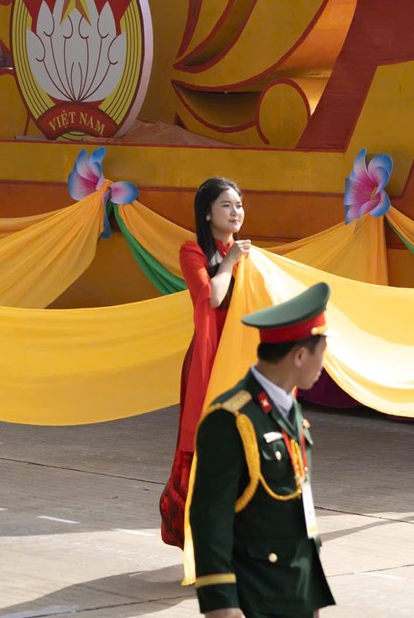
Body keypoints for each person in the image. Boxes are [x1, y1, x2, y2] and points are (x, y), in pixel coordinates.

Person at [188, 282, 336, 618]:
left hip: (294, 592)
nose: (323, 364)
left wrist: (310, 594)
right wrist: (221, 605)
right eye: (322, 352)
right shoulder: (231, 418)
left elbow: (298, 514)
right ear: (300, 356)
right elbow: (210, 517)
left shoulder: (290, 411)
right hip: (254, 598)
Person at [160, 177, 253, 548]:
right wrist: (229, 262)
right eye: (226, 205)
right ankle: (200, 537)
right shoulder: (193, 251)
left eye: (239, 205)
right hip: (207, 361)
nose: (235, 212)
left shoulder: (247, 256)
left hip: (238, 361)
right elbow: (212, 298)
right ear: (208, 213)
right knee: (207, 445)